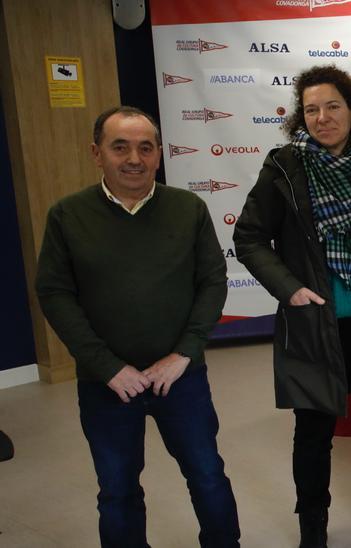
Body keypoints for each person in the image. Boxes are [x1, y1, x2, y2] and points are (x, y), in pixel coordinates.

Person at [35, 106, 239, 547]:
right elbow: (54, 294)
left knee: (206, 474)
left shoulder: (188, 208)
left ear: (159, 154)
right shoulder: (67, 216)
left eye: (145, 148)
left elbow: (212, 282)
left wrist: (183, 353)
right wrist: (106, 366)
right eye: (120, 146)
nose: (134, 158)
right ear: (97, 153)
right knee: (118, 489)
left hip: (180, 377)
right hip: (106, 383)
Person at [234, 65, 351, 548]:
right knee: (312, 431)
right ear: (299, 117)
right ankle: (313, 525)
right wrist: (288, 288)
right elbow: (248, 237)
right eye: (311, 109)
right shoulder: (284, 167)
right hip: (312, 322)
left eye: (332, 106)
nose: (322, 117)